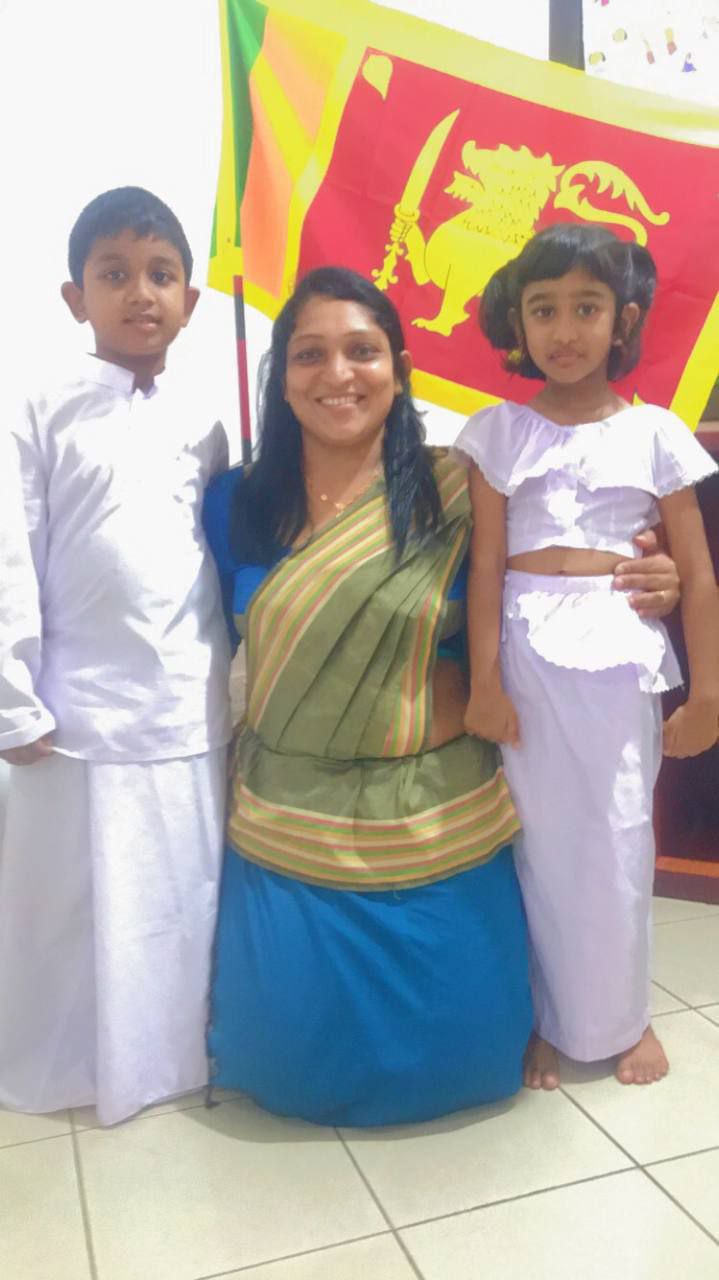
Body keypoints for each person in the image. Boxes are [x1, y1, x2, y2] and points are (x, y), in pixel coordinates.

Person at [203, 265, 679, 1126]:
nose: (337, 374)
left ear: (398, 365)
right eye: (309, 355)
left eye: (361, 351)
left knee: (472, 1054)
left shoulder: (458, 487)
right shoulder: (232, 501)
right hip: (289, 817)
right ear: (280, 376)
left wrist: (651, 572)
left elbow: (567, 556)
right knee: (280, 1066)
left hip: (436, 812)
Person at [457, 223, 718, 1092]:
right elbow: (485, 567)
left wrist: (707, 694)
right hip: (525, 653)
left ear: (622, 319)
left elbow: (699, 578)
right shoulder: (497, 432)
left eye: (585, 308)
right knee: (535, 842)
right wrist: (484, 681)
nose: (564, 330)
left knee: (615, 835)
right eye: (543, 310)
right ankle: (545, 1020)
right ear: (517, 325)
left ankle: (621, 1016)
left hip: (618, 650)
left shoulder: (655, 432)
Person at [0, 187, 232, 1125]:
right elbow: (10, 555)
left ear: (191, 298)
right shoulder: (39, 410)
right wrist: (14, 700)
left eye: (161, 274)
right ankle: (63, 1067)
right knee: (70, 909)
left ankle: (168, 1062)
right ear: (74, 297)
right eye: (115, 274)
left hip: (186, 705)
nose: (141, 293)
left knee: (177, 900)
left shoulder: (206, 425)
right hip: (75, 714)